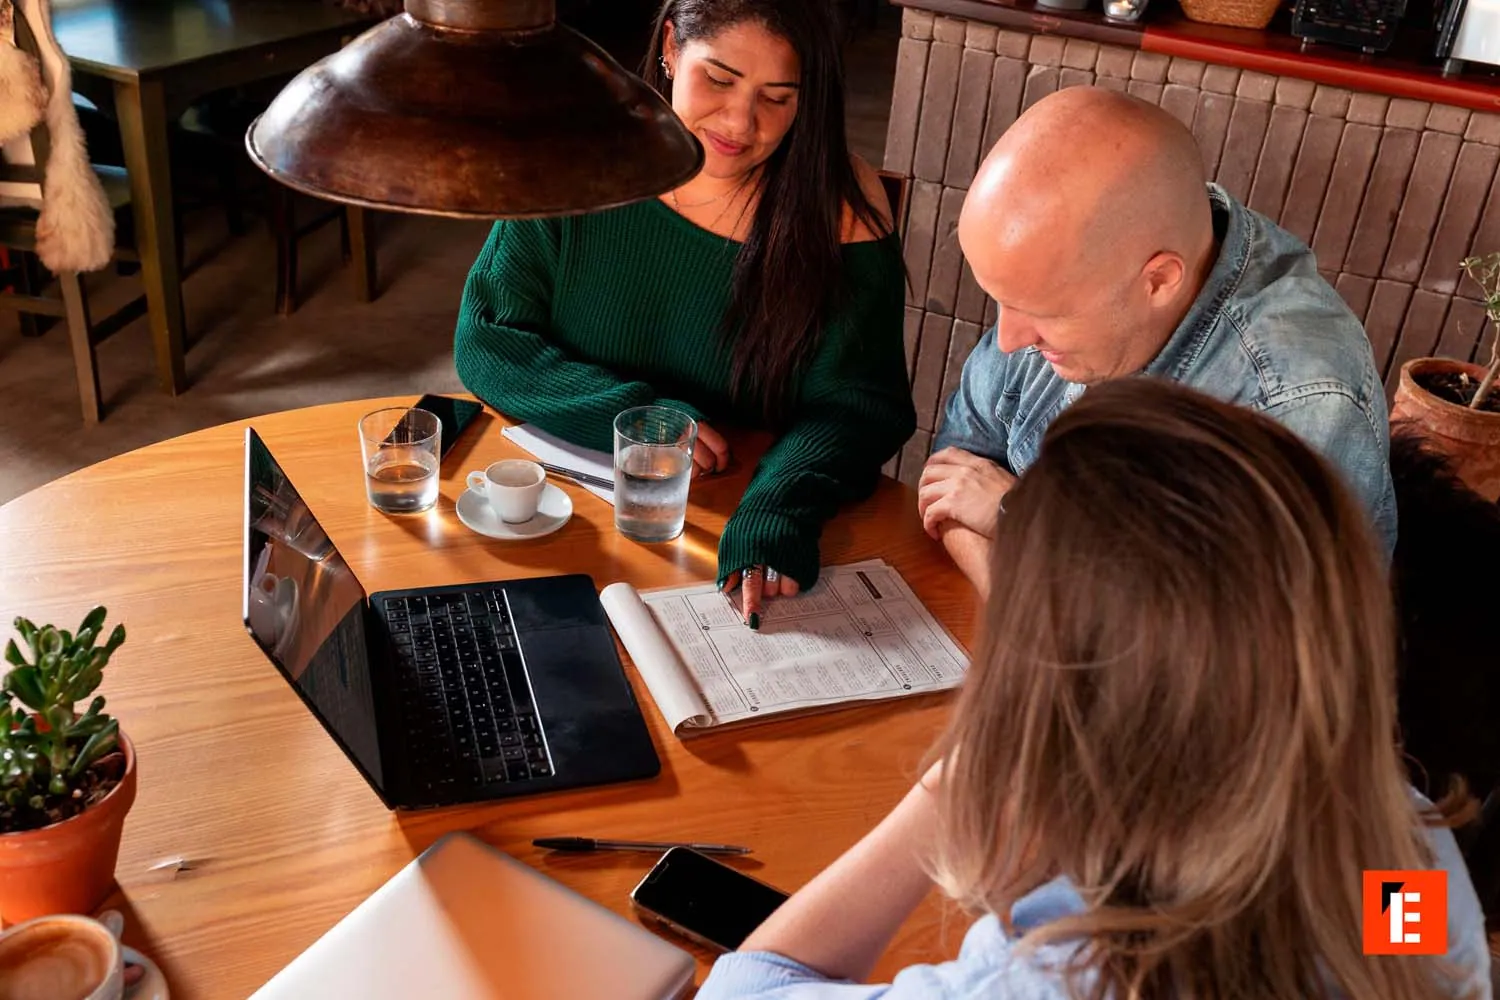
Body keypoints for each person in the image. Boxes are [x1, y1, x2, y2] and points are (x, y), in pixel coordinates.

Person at [697, 378, 1491, 1000]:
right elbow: (1413, 961)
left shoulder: (1053, 980)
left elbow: (750, 986)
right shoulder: (1406, 855)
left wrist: (955, 785)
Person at [453, 0, 914, 622]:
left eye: (777, 98)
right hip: (560, 519)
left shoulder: (839, 212)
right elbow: (488, 338)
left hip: (729, 524)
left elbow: (860, 408)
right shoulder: (576, 154)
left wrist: (777, 507)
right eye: (718, 79)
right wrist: (636, 419)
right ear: (670, 46)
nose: (740, 121)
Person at [920, 86, 1395, 596]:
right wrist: (1018, 594)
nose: (1008, 340)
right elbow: (951, 477)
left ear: (1160, 280)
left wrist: (1019, 521)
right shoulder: (1068, 266)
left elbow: (1220, 646)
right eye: (1000, 300)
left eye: (1042, 312)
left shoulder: (1299, 402)